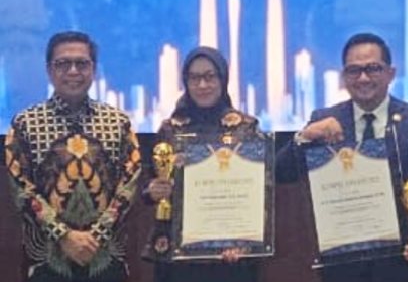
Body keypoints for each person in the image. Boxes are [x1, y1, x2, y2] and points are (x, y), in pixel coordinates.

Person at [276, 32, 408, 282]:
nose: (363, 78)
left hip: (405, 263)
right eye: (354, 70)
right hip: (342, 264)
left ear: (390, 73)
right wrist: (303, 137)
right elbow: (281, 172)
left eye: (373, 69)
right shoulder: (323, 121)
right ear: (344, 76)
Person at [4, 31, 142, 282]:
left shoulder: (118, 122)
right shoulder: (25, 123)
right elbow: (21, 188)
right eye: (63, 64)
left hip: (105, 256)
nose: (73, 71)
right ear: (49, 70)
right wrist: (64, 235)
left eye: (82, 63)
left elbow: (129, 181)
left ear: (93, 69)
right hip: (47, 260)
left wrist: (97, 234)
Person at [141, 46, 261, 282]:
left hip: (230, 255)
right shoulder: (170, 129)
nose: (202, 85)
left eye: (209, 76)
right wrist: (153, 191)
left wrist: (244, 241)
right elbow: (149, 184)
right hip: (178, 255)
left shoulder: (245, 127)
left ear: (223, 79)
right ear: (185, 82)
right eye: (194, 78)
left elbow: (257, 192)